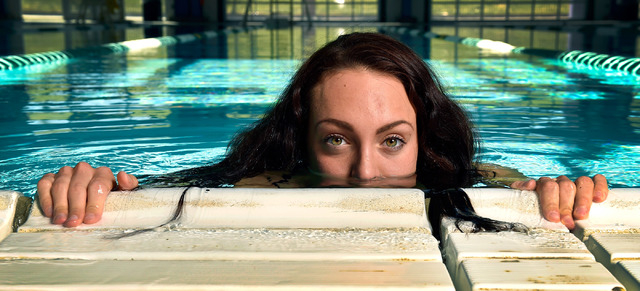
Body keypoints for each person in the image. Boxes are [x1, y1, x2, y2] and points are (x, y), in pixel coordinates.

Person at [37, 32, 608, 231]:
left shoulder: (475, 180)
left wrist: (560, 195)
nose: (365, 173)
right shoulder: (254, 188)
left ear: (423, 138)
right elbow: (136, 190)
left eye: (392, 141)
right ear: (302, 138)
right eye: (336, 139)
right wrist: (94, 186)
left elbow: (533, 193)